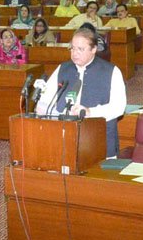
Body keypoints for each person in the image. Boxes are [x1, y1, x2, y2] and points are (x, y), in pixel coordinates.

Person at [36, 27, 126, 157]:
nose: (75, 53)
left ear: (94, 49)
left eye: (80, 49)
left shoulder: (111, 71)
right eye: (72, 48)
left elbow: (118, 107)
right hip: (65, 137)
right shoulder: (63, 68)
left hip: (99, 139)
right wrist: (45, 108)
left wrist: (90, 112)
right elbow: (45, 100)